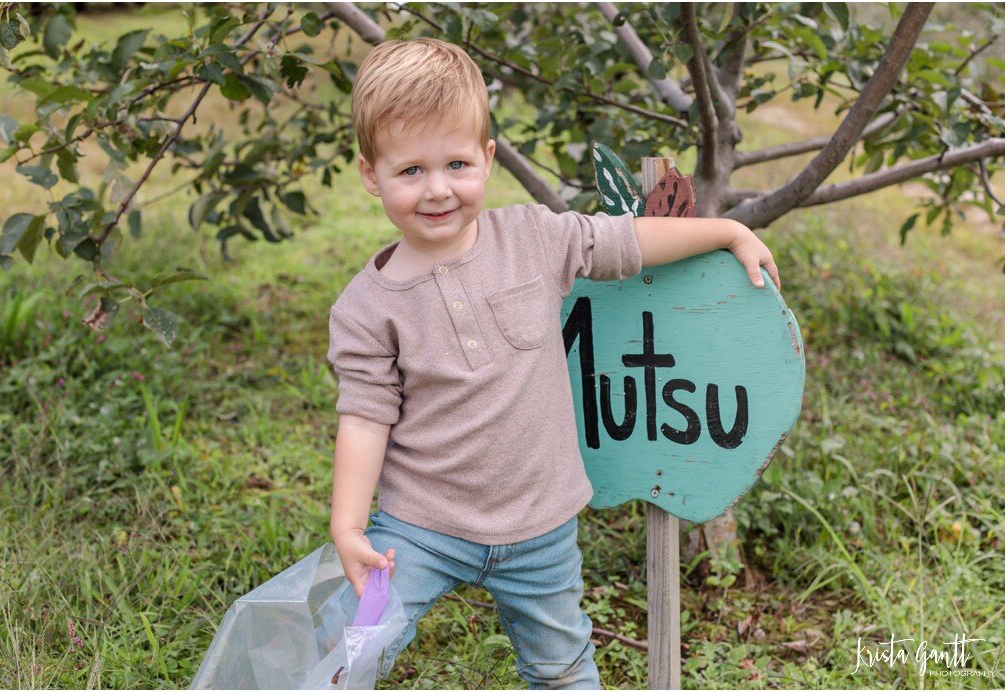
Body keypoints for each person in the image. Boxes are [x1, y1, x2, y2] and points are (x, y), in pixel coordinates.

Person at [326, 38, 781, 689]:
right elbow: (365, 419)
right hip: (419, 529)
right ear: (371, 173)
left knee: (562, 667)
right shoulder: (368, 307)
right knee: (357, 647)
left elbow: (627, 242)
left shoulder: (534, 238)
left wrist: (729, 230)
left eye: (456, 163)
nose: (437, 190)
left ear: (486, 158)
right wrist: (348, 525)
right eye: (410, 171)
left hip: (540, 527)